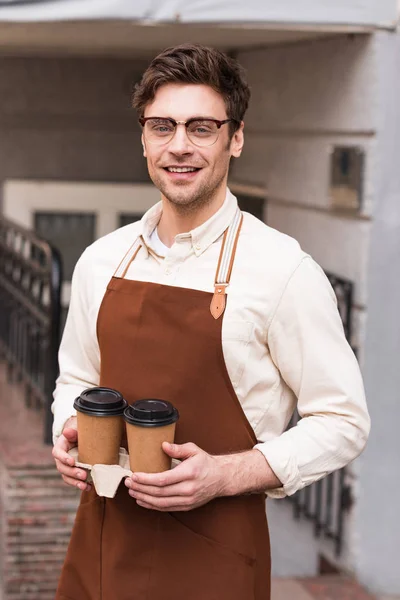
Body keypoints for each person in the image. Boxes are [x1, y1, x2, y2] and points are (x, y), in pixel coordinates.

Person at [51, 43, 370, 600]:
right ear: (143, 138)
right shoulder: (102, 260)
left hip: (215, 555)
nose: (179, 146)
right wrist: (66, 431)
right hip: (102, 542)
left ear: (235, 138)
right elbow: (76, 379)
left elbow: (343, 421)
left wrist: (227, 474)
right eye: (162, 126)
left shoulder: (283, 271)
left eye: (201, 127)